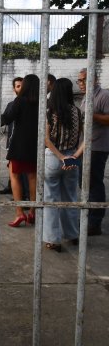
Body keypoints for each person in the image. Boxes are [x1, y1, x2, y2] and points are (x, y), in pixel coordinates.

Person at [0, 74, 39, 227]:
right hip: (36, 144)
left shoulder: (20, 101)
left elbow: (7, 119)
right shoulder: (43, 102)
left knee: (15, 176)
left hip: (19, 145)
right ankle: (33, 211)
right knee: (33, 178)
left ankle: (19, 213)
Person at [43, 78, 83, 252]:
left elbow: (46, 139)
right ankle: (73, 234)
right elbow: (85, 138)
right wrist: (73, 156)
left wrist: (60, 157)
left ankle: (53, 240)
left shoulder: (49, 111)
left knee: (51, 199)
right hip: (72, 158)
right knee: (70, 197)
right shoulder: (77, 111)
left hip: (53, 157)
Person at [75, 68, 109, 236]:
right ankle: (88, 213)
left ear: (94, 79)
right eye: (79, 81)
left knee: (94, 182)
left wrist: (91, 114)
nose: (80, 83)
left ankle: (95, 222)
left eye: (83, 80)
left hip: (98, 146)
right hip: (85, 145)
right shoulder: (86, 97)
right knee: (84, 182)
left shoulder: (103, 95)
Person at [0, 77, 23, 195]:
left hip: (23, 142)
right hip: (12, 140)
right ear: (14, 89)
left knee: (22, 170)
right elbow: (4, 119)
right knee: (11, 167)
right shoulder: (10, 104)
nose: (21, 88)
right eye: (18, 86)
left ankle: (21, 194)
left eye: (22, 85)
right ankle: (11, 187)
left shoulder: (32, 104)